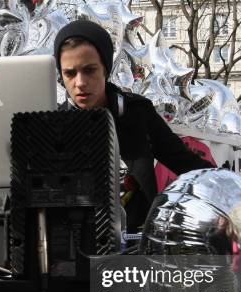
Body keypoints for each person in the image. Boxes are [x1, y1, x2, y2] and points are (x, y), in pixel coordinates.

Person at [53, 20, 214, 233]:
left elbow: (186, 163)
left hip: (135, 245)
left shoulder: (137, 112)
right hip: (77, 245)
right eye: (70, 73)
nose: (80, 82)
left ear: (106, 69)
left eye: (90, 70)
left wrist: (231, 191)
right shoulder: (54, 126)